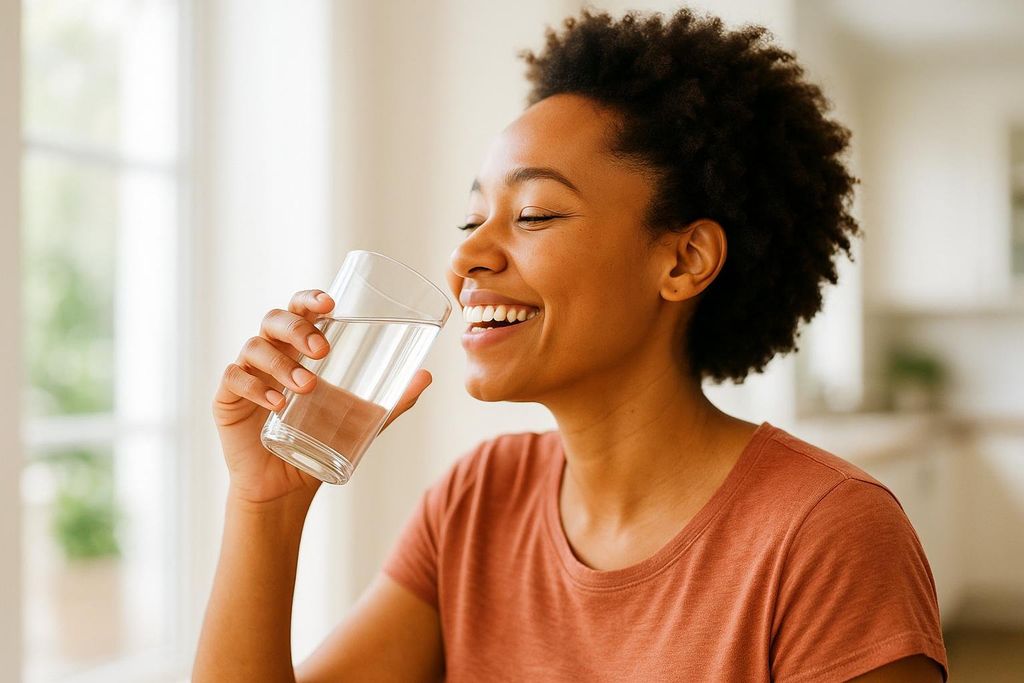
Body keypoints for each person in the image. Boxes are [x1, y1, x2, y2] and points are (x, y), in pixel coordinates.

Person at [193, 7, 948, 682]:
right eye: (472, 220)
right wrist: (266, 506)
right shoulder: (477, 501)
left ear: (683, 260)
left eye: (534, 216)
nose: (468, 258)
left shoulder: (827, 533)